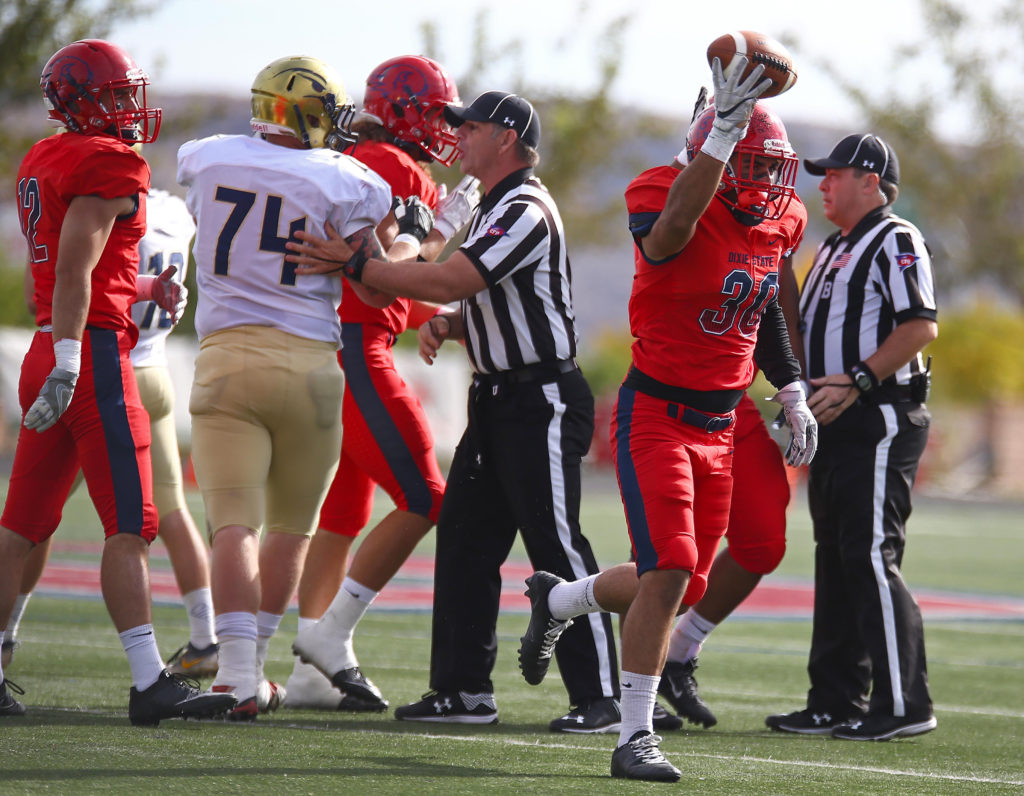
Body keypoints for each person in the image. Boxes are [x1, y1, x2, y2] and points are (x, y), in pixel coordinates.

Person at [285, 90, 623, 733]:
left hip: (542, 398)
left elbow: (449, 279)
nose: (458, 136)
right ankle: (464, 691)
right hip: (499, 396)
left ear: (507, 138)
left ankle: (603, 695)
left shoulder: (523, 206)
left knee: (557, 543)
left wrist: (364, 261)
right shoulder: (498, 205)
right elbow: (490, 297)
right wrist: (457, 321)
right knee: (467, 539)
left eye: (470, 127)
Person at [517, 60, 814, 780]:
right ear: (716, 146)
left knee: (685, 582)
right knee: (674, 566)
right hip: (657, 413)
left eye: (768, 166)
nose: (765, 182)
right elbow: (670, 233)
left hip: (722, 422)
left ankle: (559, 599)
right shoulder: (661, 188)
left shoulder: (781, 217)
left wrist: (793, 385)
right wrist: (719, 146)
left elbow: (766, 301)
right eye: (748, 160)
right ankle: (635, 736)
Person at [0, 39, 235, 725]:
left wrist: (142, 285)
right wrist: (78, 358)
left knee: (23, 525)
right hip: (92, 357)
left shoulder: (46, 156)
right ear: (88, 100)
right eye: (120, 93)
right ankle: (147, 683)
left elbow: (71, 267)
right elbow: (75, 270)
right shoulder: (111, 160)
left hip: (49, 345)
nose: (133, 106)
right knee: (133, 523)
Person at [176, 55, 404, 720]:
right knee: (291, 530)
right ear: (307, 114)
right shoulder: (347, 180)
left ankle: (237, 676)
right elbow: (373, 279)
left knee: (232, 526)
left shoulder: (206, 157)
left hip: (226, 359)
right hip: (311, 365)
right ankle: (256, 669)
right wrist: (419, 235)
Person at [287, 55, 478, 712]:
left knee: (343, 512)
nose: (446, 129)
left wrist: (444, 314)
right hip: (354, 345)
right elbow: (386, 270)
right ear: (404, 112)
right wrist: (440, 233)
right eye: (434, 114)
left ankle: (310, 671)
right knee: (426, 497)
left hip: (339, 339)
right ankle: (328, 640)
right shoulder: (395, 167)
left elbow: (392, 282)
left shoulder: (370, 158)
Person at [765, 133, 938, 741]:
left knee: (869, 553)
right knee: (835, 559)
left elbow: (920, 326)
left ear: (871, 180)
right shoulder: (834, 248)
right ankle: (835, 698)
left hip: (879, 413)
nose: (824, 184)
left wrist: (859, 379)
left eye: (835, 173)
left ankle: (905, 703)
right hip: (835, 419)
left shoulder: (896, 238)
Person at [5, 188, 219, 681]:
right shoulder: (166, 204)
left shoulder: (74, 186)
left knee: (34, 523)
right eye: (120, 102)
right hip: (139, 364)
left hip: (93, 358)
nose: (128, 108)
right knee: (160, 513)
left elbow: (53, 285)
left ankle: (9, 636)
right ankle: (201, 638)